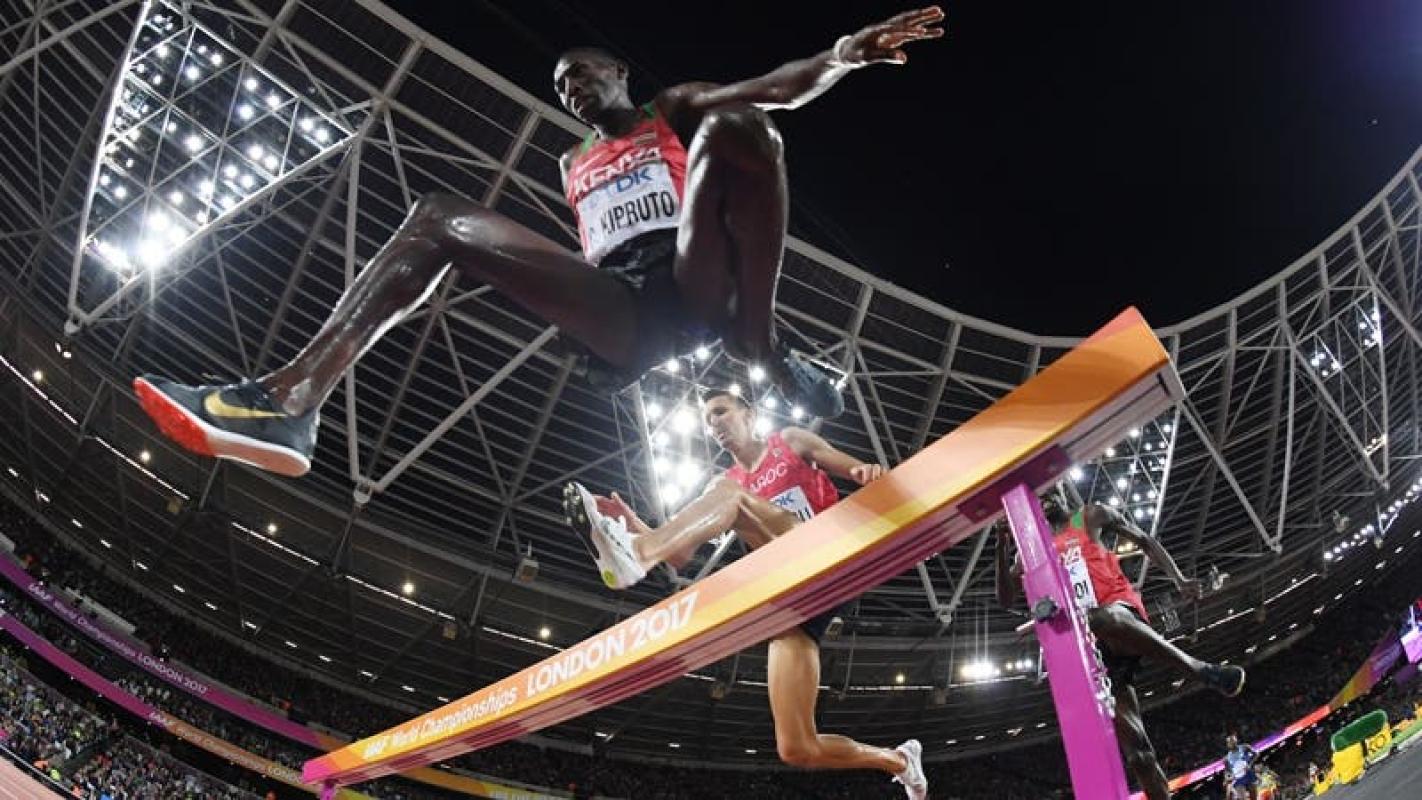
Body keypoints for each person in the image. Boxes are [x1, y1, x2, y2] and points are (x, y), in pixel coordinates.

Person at [130, 7, 946, 477]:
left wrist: (844, 55)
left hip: (698, 274)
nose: (572, 90)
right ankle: (287, 404)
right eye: (561, 88)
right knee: (438, 216)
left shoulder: (672, 108)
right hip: (626, 306)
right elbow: (593, 249)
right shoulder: (568, 161)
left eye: (583, 75)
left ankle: (762, 347)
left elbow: (776, 89)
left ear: (618, 71)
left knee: (744, 126)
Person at [562, 388, 928, 799]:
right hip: (792, 595)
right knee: (796, 747)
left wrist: (868, 473)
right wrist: (633, 524)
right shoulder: (724, 482)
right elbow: (679, 556)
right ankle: (900, 761)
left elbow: (856, 469)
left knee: (730, 499)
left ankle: (637, 552)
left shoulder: (789, 442)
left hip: (828, 551)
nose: (714, 424)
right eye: (707, 420)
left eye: (720, 412)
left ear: (749, 414)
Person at [994, 490, 1248, 800]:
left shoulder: (1089, 516)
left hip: (1120, 611)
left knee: (1103, 617)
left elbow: (1145, 540)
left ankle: (1202, 671)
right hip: (1094, 649)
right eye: (1039, 498)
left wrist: (1179, 579)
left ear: (1060, 490)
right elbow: (1005, 599)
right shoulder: (1033, 552)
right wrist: (1001, 546)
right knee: (1139, 754)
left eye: (1049, 492)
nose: (1045, 500)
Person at [1223, 734, 1259, 800]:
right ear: (1227, 744)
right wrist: (1227, 778)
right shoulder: (1226, 758)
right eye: (1229, 742)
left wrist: (1250, 764)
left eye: (1233, 741)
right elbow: (1227, 770)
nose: (1232, 743)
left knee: (1254, 797)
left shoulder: (1245, 747)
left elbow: (1256, 754)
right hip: (1238, 778)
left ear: (1236, 741)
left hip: (1248, 774)